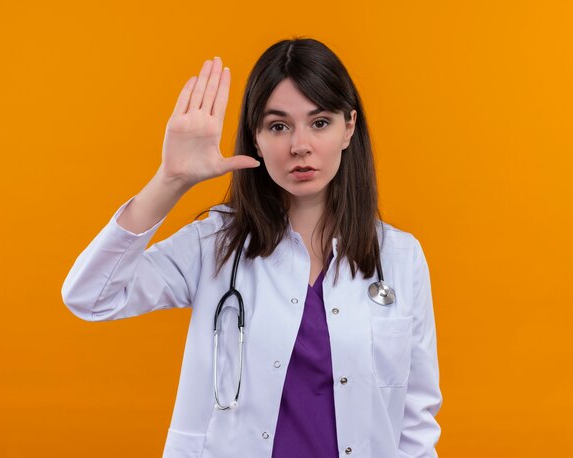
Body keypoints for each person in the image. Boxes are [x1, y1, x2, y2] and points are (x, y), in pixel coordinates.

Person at [61, 37, 442, 458]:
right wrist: (170, 181)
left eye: (319, 123)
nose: (300, 145)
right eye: (278, 126)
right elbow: (90, 297)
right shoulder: (216, 243)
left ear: (348, 128)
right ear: (255, 139)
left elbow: (415, 420)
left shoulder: (400, 259)